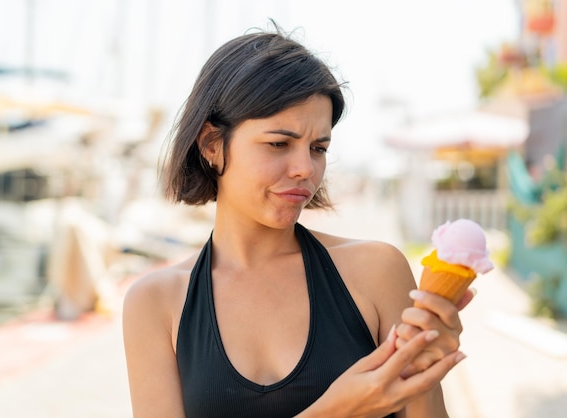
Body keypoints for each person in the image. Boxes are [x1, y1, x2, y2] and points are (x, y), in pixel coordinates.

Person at [123, 23, 473, 418]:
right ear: (212, 145)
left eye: (318, 148)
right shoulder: (156, 303)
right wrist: (335, 411)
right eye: (279, 144)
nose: (305, 168)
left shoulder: (376, 271)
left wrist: (422, 367)